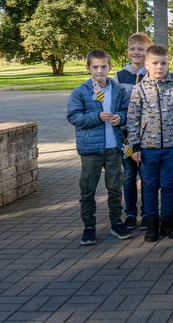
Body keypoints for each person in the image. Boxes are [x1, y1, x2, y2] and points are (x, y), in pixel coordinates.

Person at [67, 49, 132, 245]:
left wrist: (120, 117)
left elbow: (127, 111)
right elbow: (74, 117)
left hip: (113, 147)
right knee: (87, 189)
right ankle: (89, 226)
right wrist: (96, 116)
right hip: (91, 149)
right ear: (88, 68)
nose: (99, 71)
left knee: (115, 187)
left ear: (110, 67)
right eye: (95, 67)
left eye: (103, 66)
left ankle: (116, 222)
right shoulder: (81, 92)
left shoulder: (118, 90)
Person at [127, 44, 173, 242]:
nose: (159, 67)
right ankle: (152, 223)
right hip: (147, 149)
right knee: (149, 186)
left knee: (168, 185)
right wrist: (135, 146)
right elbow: (132, 119)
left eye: (163, 63)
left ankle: (168, 221)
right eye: (155, 63)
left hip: (171, 147)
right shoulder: (139, 90)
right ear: (146, 65)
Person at [114, 31, 151, 230]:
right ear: (128, 51)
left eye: (141, 49)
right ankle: (130, 212)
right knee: (129, 174)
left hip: (148, 133)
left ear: (148, 51)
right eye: (133, 49)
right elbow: (114, 102)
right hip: (127, 135)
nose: (136, 52)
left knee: (146, 174)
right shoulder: (120, 76)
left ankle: (147, 212)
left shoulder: (153, 72)